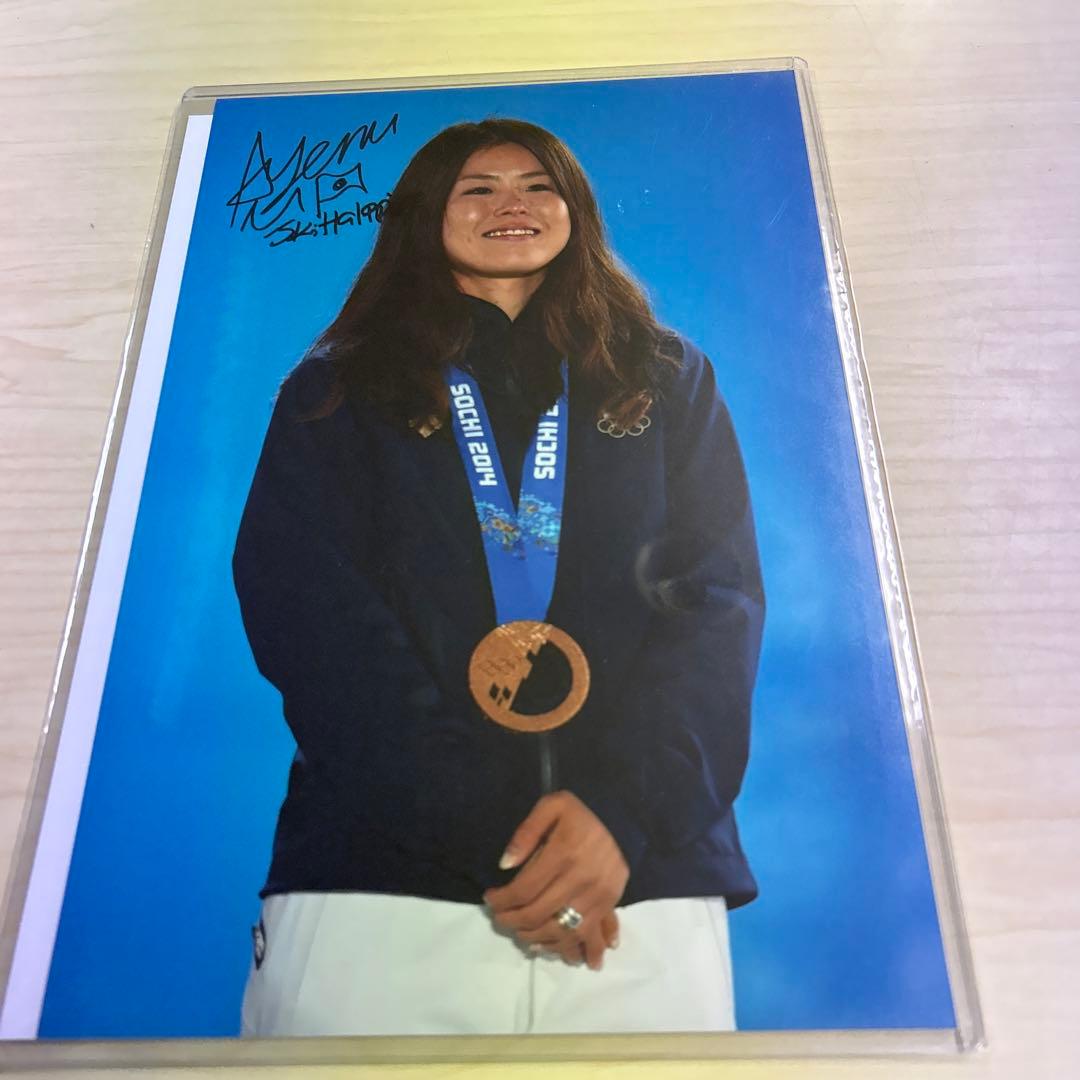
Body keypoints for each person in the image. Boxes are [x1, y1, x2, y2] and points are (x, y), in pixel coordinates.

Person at [233, 118, 765, 1037]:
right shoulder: (338, 390)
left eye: (538, 185)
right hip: (387, 888)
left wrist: (620, 818)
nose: (510, 203)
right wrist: (493, 831)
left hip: (637, 888)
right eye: (476, 188)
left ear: (576, 211)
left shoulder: (666, 380)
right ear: (423, 214)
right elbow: (312, 618)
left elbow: (718, 610)